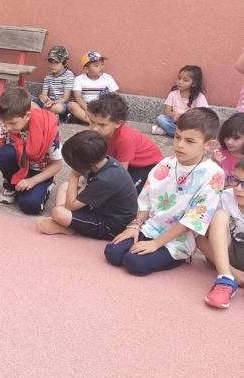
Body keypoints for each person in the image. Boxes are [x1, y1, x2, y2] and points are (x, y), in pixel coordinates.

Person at [104, 108, 225, 277]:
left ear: (209, 145)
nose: (180, 144)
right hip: (150, 228)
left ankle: (181, 258)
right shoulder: (165, 164)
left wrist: (156, 244)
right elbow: (145, 199)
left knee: (134, 263)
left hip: (177, 240)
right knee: (113, 253)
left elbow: (194, 219)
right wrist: (134, 226)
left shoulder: (214, 174)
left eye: (189, 141)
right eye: (177, 137)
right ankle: (143, 243)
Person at [0, 87, 63, 215]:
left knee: (31, 206)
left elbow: (57, 165)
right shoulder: (5, 128)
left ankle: (46, 186)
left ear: (27, 116)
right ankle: (11, 184)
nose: (8, 127)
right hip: (20, 166)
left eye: (13, 123)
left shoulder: (48, 129)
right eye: (4, 122)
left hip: (40, 172)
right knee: (3, 153)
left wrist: (32, 181)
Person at [36, 130, 137, 240]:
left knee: (58, 212)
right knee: (65, 186)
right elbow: (88, 188)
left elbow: (71, 206)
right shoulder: (105, 161)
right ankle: (68, 222)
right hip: (101, 206)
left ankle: (69, 226)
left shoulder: (105, 179)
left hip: (112, 226)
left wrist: (74, 175)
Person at [86, 93, 163, 193]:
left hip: (147, 166)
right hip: (122, 160)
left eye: (102, 124)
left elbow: (121, 172)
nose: (95, 129)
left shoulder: (124, 139)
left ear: (118, 123)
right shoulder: (101, 133)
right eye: (92, 122)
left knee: (126, 192)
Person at [197, 159, 244, 309]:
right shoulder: (225, 197)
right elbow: (200, 237)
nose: (238, 188)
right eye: (235, 180)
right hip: (224, 255)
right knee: (219, 216)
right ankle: (226, 278)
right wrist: (232, 271)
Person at [151, 65, 209, 136]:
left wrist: (185, 118)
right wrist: (173, 115)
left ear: (194, 84)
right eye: (179, 79)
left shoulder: (199, 97)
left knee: (200, 127)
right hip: (175, 122)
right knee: (160, 118)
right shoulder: (173, 94)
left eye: (185, 80)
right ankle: (182, 135)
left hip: (189, 125)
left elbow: (203, 115)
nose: (180, 82)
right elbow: (167, 111)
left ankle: (170, 132)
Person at [67, 51, 119, 124]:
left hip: (102, 106)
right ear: (86, 69)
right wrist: (87, 109)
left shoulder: (108, 78)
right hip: (86, 105)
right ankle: (93, 122)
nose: (101, 68)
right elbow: (78, 97)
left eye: (102, 64)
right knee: (71, 105)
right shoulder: (79, 79)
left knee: (113, 108)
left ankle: (85, 120)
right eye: (96, 66)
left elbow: (115, 95)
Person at [31, 45, 75, 119]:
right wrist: (44, 98)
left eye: (56, 63)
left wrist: (53, 102)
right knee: (27, 98)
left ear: (65, 63)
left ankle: (39, 114)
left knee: (59, 107)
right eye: (50, 62)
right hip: (48, 103)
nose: (52, 65)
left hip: (60, 104)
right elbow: (43, 94)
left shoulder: (69, 76)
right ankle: (49, 115)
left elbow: (65, 98)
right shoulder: (48, 76)